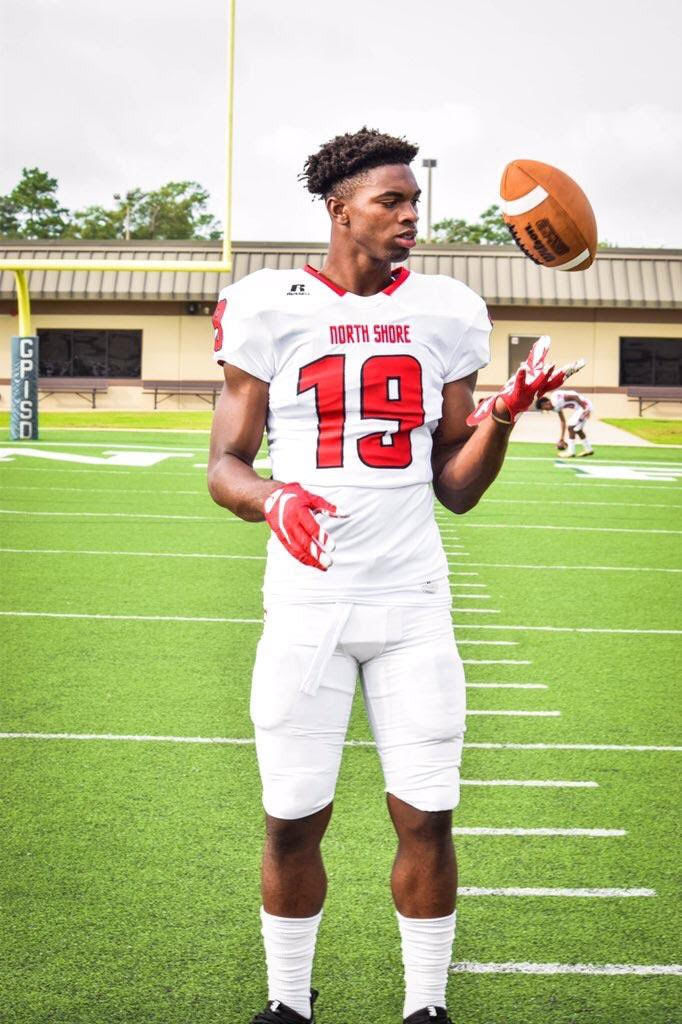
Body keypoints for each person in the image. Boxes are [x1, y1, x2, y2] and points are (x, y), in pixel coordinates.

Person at [207, 127, 577, 1024]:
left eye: (416, 202)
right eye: (392, 202)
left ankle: (426, 1009)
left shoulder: (447, 309)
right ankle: (289, 1005)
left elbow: (455, 487)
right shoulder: (268, 303)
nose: (412, 216)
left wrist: (504, 417)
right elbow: (225, 463)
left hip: (412, 600)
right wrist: (271, 501)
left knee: (429, 817)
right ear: (339, 210)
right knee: (292, 819)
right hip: (306, 600)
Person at [535, 388, 594, 457]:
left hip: (584, 406)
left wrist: (585, 409)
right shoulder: (555, 407)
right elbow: (562, 421)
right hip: (581, 408)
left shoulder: (556, 399)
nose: (547, 410)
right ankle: (588, 449)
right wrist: (562, 438)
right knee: (577, 429)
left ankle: (571, 451)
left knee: (571, 427)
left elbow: (575, 397)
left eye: (545, 408)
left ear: (545, 403)